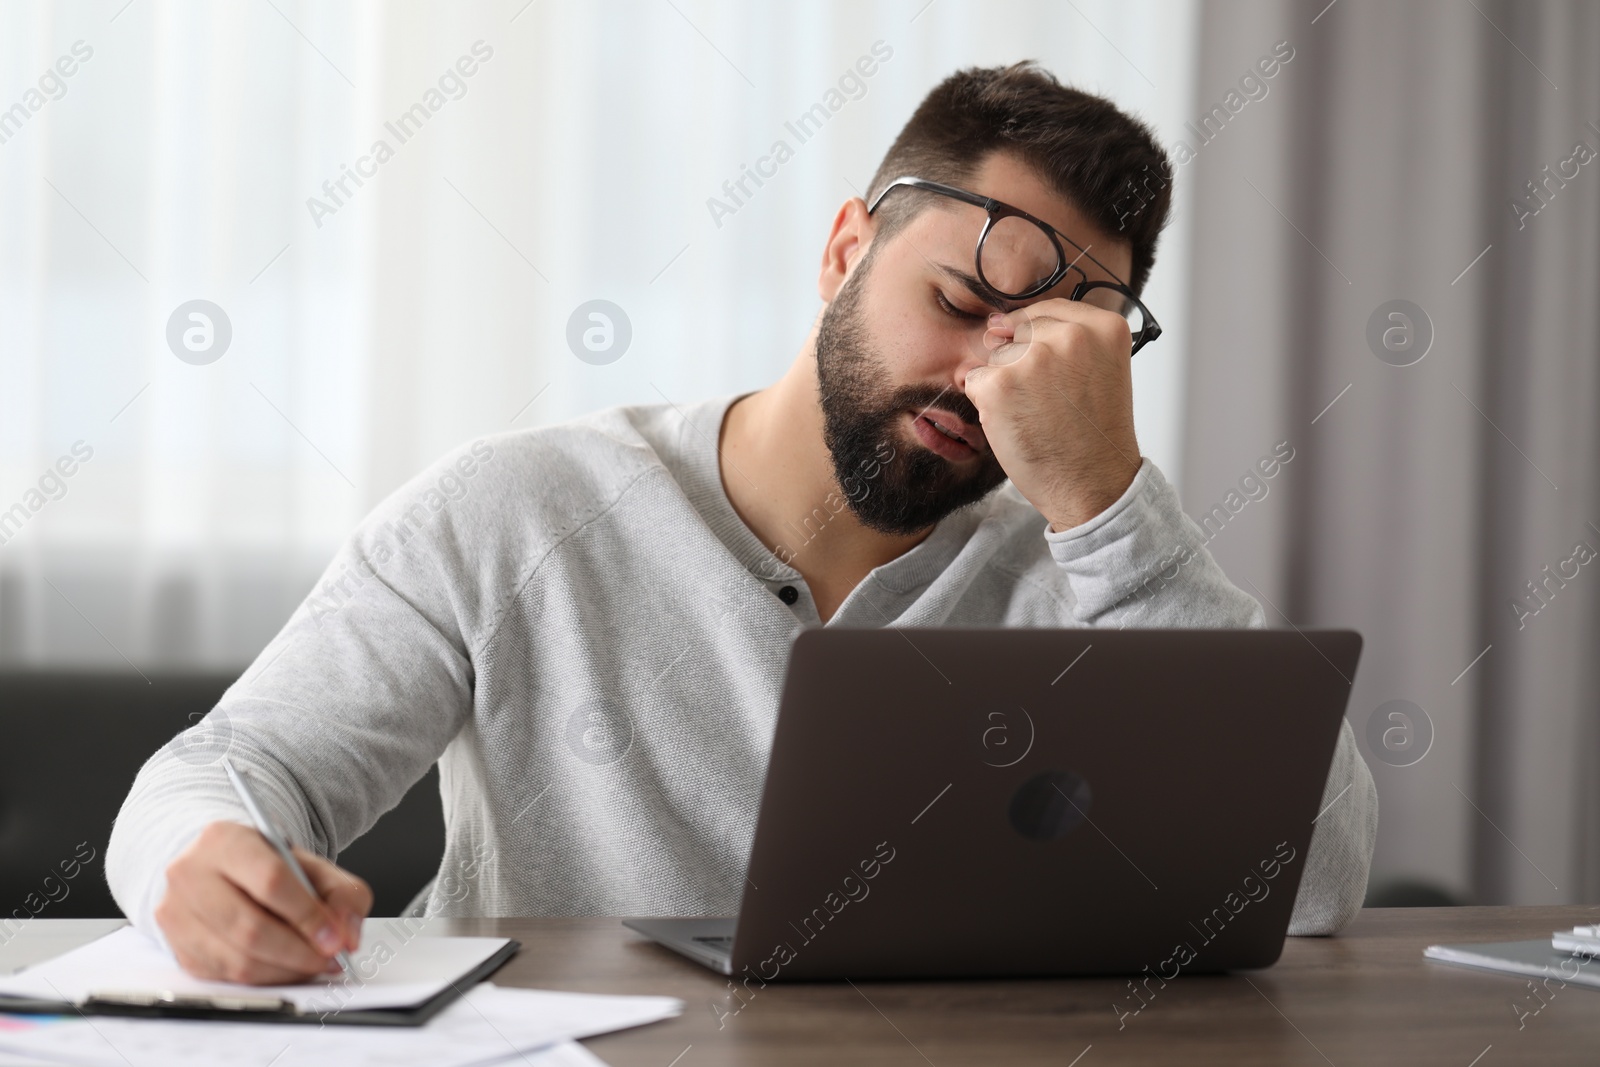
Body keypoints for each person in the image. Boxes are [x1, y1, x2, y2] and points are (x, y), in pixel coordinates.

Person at [108, 61, 1377, 984]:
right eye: (955, 300)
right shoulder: (517, 507)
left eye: (1052, 349)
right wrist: (205, 861)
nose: (988, 379)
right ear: (842, 252)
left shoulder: (1095, 561)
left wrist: (1106, 506)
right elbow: (222, 769)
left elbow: (1312, 892)